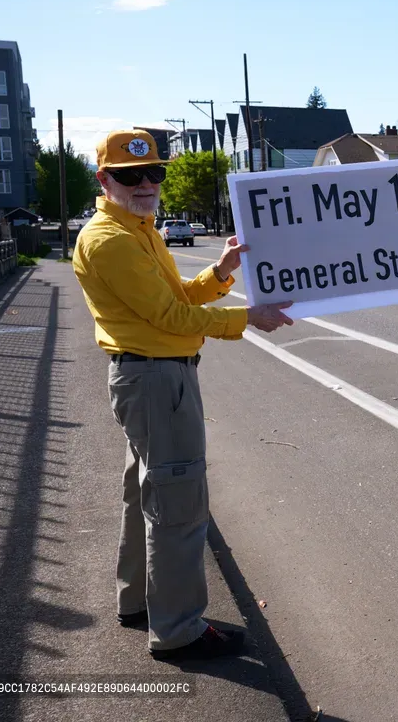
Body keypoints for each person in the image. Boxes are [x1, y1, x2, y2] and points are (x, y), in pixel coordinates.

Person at [72, 129, 294, 661]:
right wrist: (247, 316)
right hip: (155, 380)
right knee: (179, 504)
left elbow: (174, 298)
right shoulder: (112, 240)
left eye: (155, 173)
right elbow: (171, 318)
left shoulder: (138, 229)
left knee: (145, 494)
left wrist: (221, 272)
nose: (146, 184)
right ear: (105, 180)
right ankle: (177, 630)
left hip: (150, 377)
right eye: (130, 175)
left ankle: (140, 603)